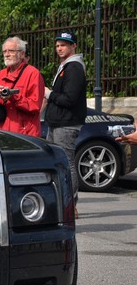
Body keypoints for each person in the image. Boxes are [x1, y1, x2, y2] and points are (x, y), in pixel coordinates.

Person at [44, 30, 87, 214]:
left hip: (66, 123)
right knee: (56, 162)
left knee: (66, 163)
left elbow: (69, 99)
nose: (59, 48)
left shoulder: (74, 67)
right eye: (57, 45)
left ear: (73, 46)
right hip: (57, 122)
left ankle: (71, 205)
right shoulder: (66, 66)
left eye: (63, 45)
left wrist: (49, 94)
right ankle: (62, 203)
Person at [0, 36, 44, 137]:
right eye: (4, 51)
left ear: (22, 54)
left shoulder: (33, 74)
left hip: (25, 135)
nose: (6, 54)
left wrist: (14, 97)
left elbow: (35, 106)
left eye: (11, 51)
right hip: (3, 133)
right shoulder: (0, 75)